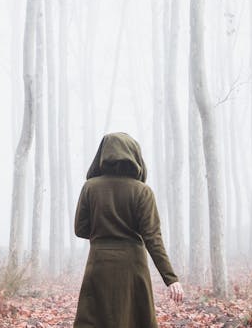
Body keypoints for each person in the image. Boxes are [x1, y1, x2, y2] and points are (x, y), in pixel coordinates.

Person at [73, 132, 184, 328]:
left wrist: (103, 230)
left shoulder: (90, 187)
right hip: (133, 267)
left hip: (99, 264)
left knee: (95, 319)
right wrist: (170, 278)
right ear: (134, 154)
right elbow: (153, 238)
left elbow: (81, 230)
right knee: (134, 319)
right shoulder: (142, 191)